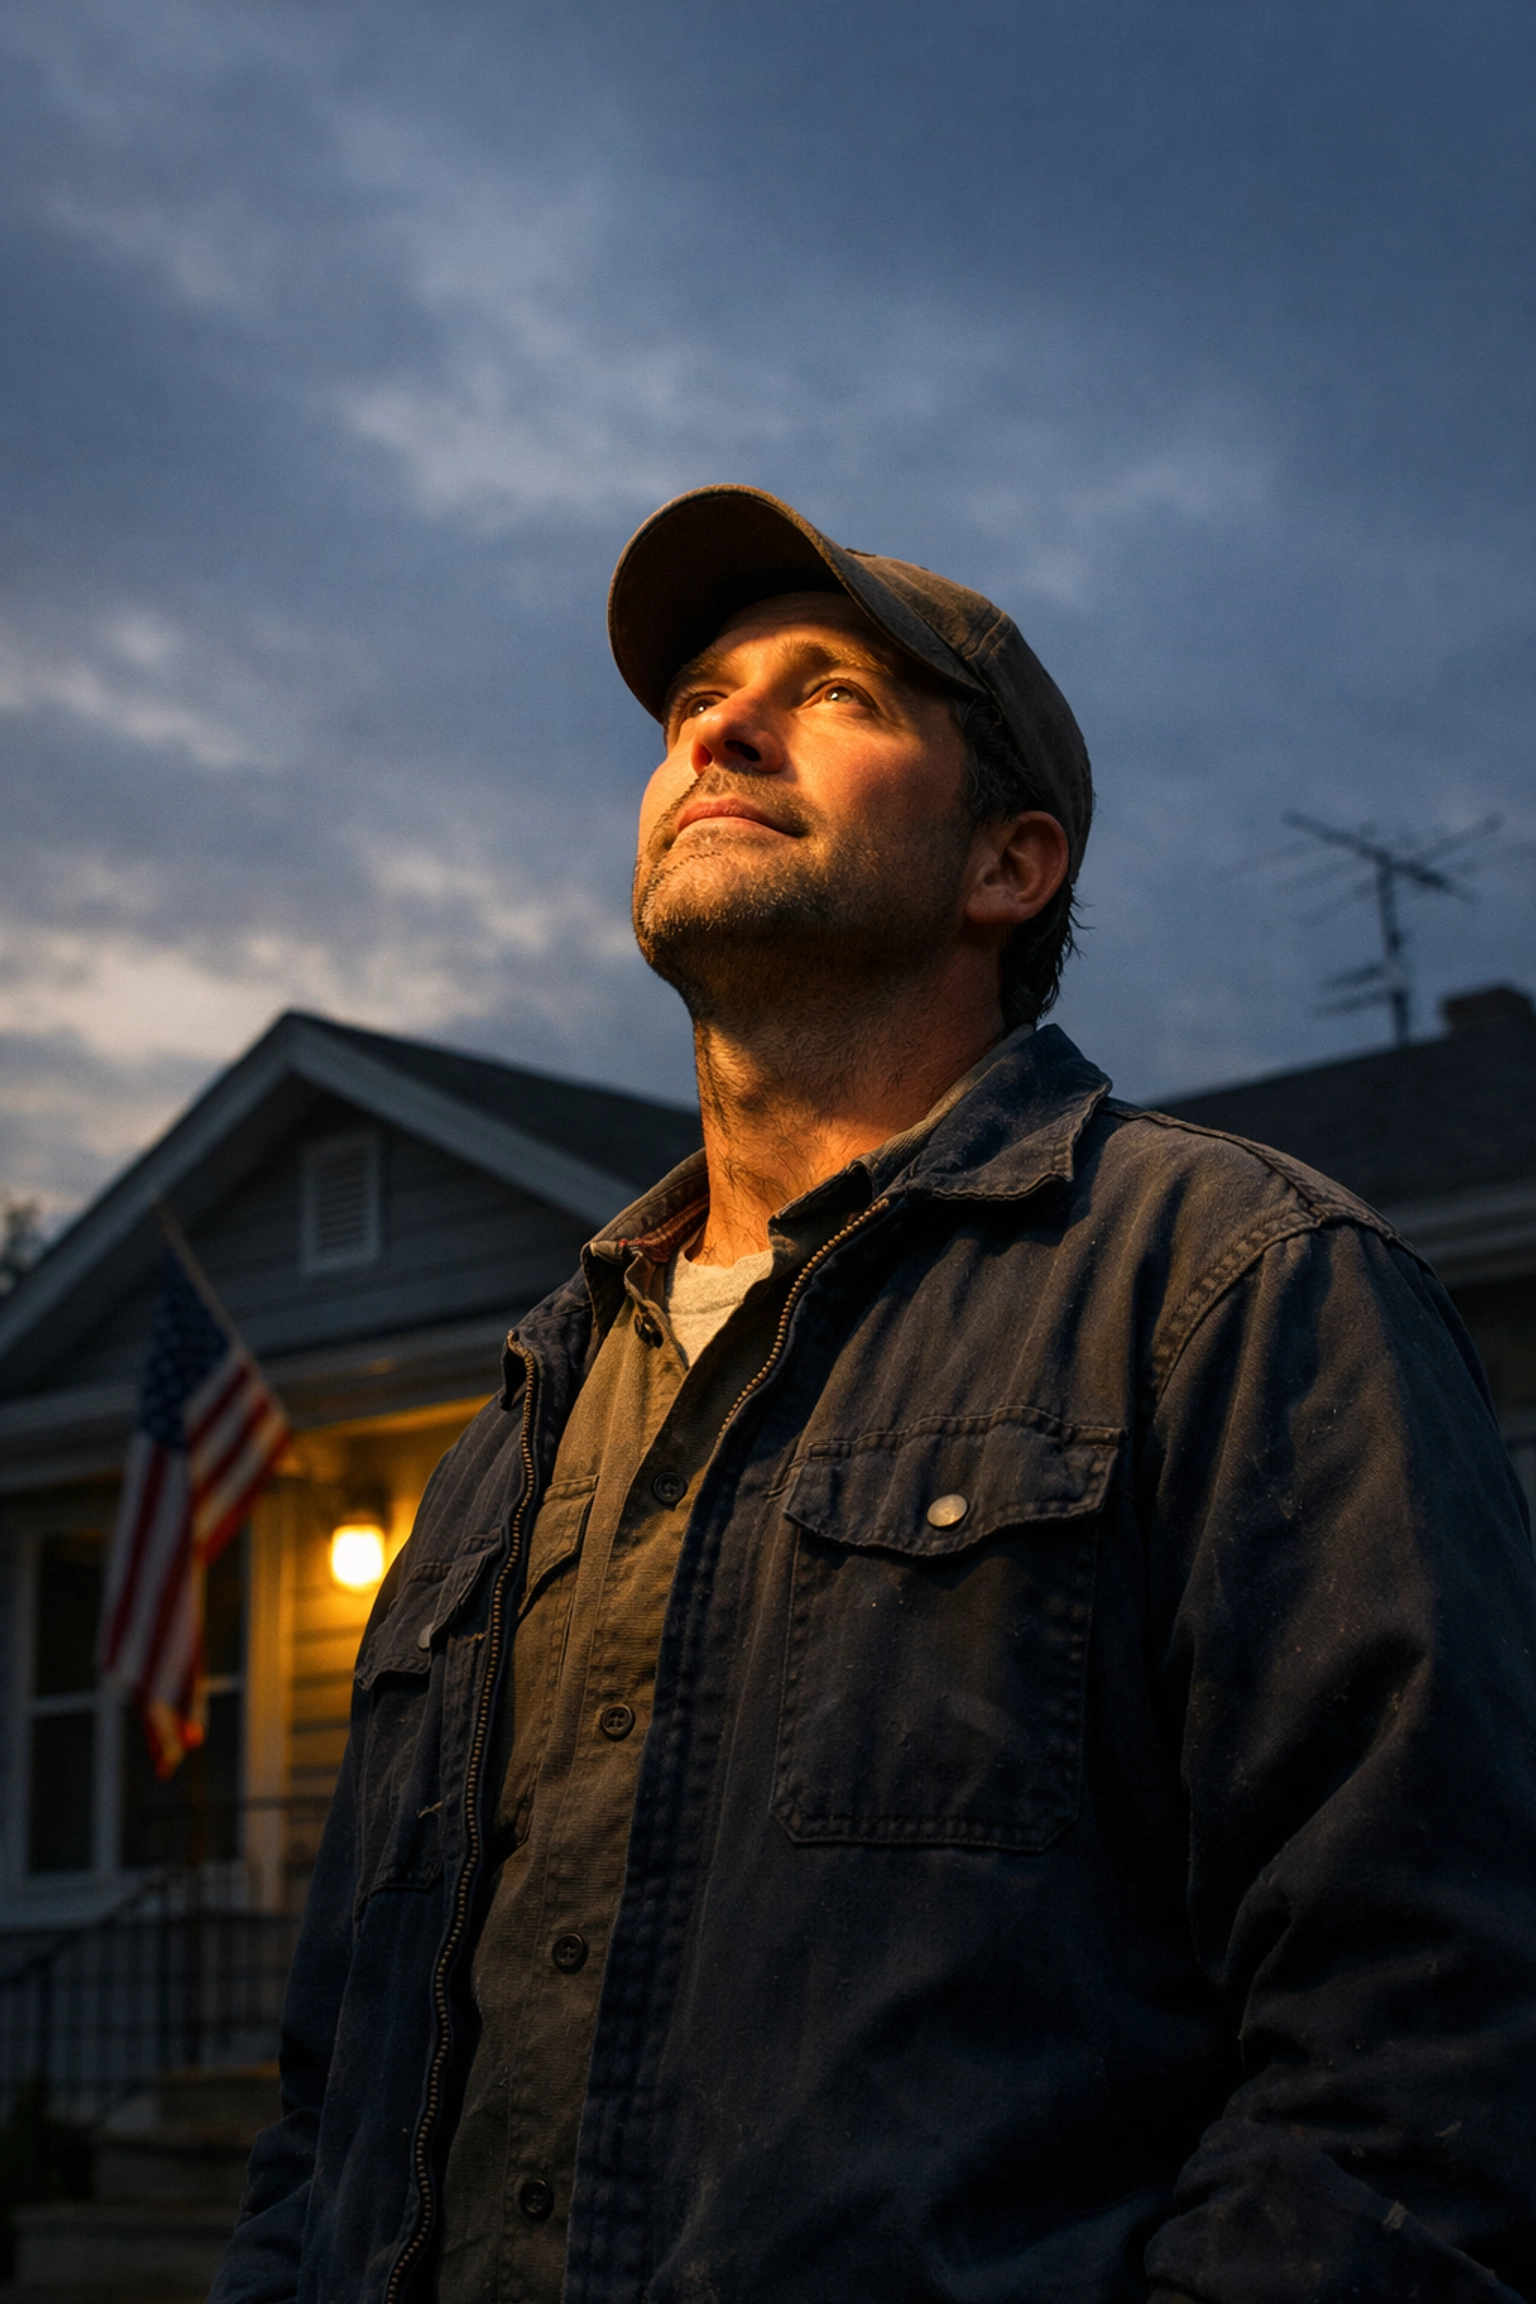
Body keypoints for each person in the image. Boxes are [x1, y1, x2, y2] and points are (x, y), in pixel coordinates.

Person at [212, 486, 1536, 2304]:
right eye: (693, 701)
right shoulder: (509, 1450)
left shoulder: (1232, 1288)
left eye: (828, 689)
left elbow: (1434, 2039)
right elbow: (323, 2115)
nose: (719, 727)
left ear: (1011, 864)